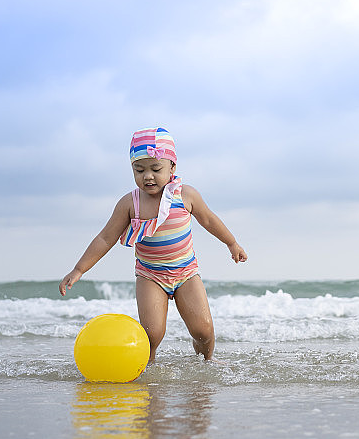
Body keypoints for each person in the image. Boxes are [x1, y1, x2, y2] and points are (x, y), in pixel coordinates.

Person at [59, 127, 247, 362]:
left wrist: (232, 243)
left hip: (186, 272)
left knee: (204, 329)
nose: (147, 176)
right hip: (150, 276)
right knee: (152, 334)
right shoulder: (130, 203)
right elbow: (105, 238)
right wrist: (79, 269)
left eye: (156, 169)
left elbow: (208, 220)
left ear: (172, 168)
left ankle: (206, 363)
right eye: (139, 170)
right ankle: (147, 368)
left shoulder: (186, 195)